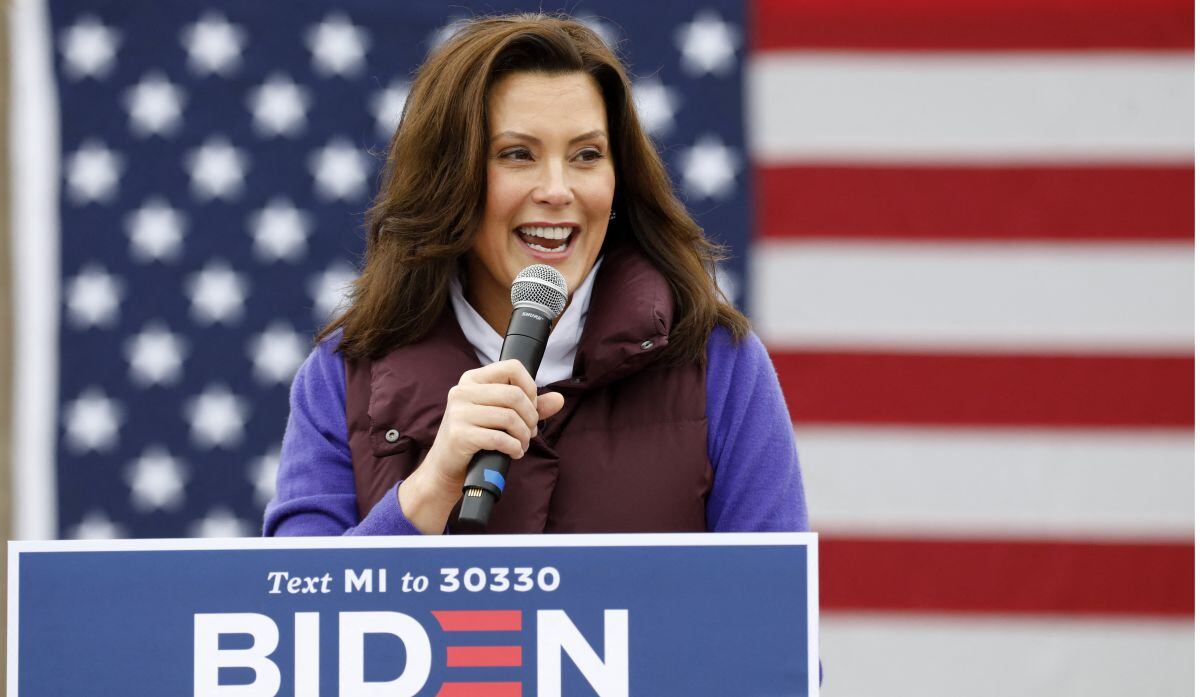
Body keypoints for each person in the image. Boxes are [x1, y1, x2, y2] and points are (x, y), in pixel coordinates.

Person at [263, 13, 809, 537]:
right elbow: (297, 597)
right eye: (518, 154)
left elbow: (771, 596)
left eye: (587, 155)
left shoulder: (718, 362)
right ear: (448, 180)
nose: (556, 190)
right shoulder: (341, 374)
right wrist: (432, 486)